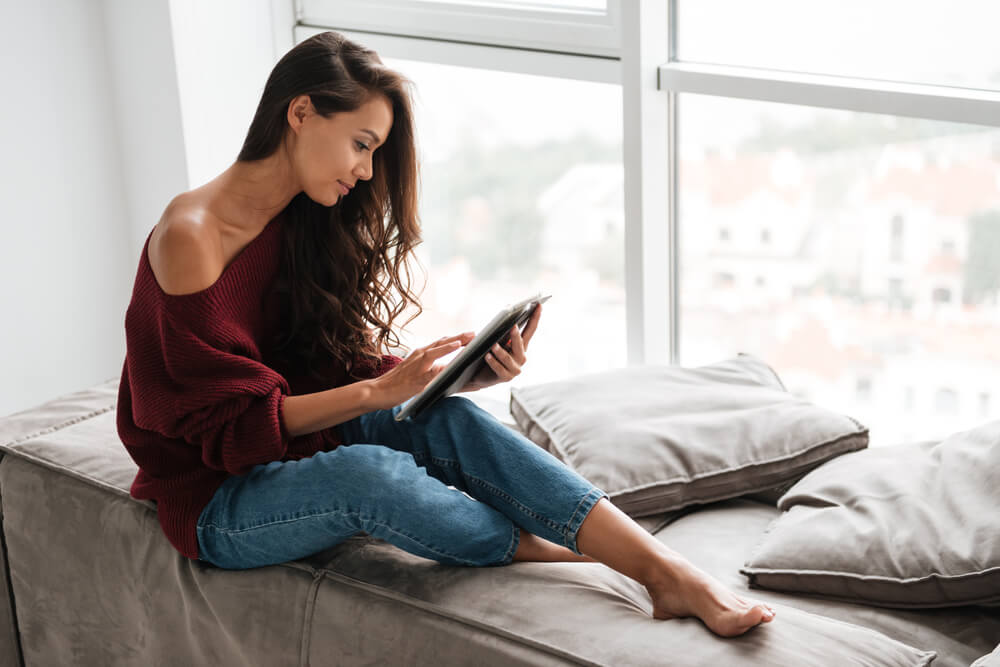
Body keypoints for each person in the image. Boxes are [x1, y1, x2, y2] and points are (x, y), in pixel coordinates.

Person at [116, 30, 775, 638]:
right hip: (214, 498)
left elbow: (317, 361)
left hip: (288, 445)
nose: (368, 172)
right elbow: (231, 432)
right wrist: (375, 394)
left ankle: (666, 572)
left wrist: (457, 376)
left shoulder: (297, 216)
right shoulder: (191, 238)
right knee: (368, 473)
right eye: (362, 143)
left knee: (448, 417)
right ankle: (539, 540)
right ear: (300, 112)